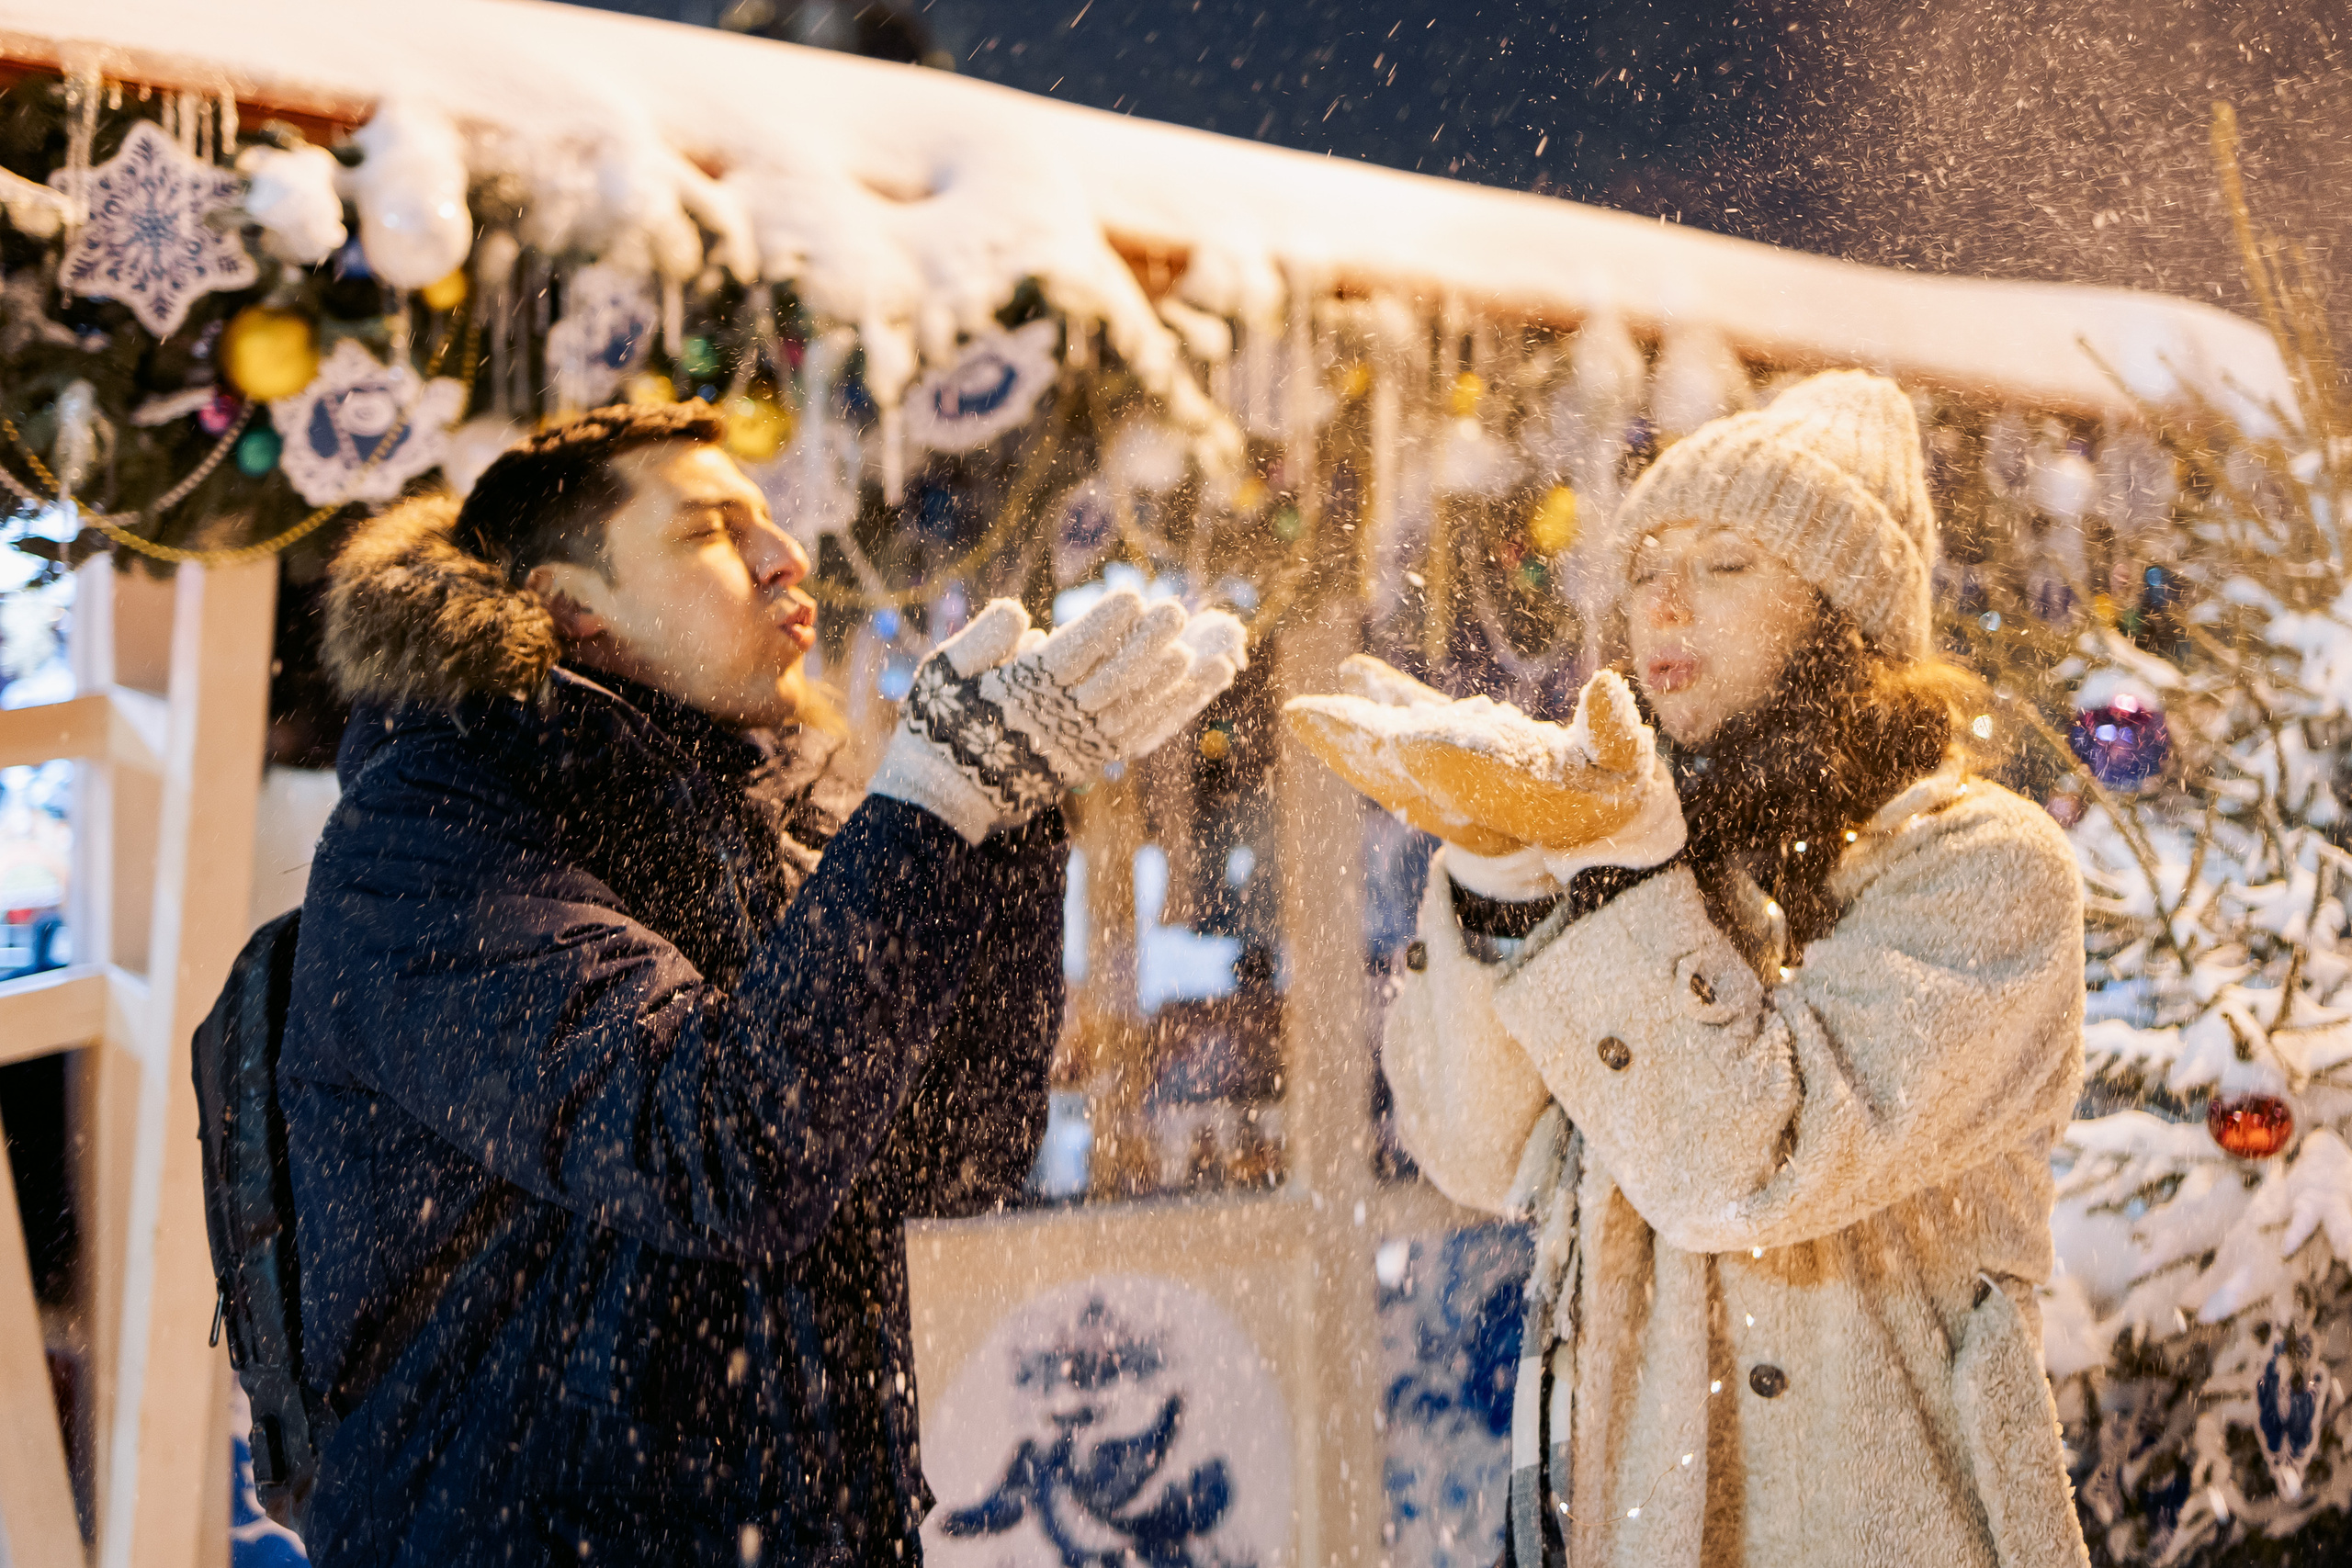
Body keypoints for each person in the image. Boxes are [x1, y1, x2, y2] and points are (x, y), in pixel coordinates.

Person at [284, 402, 1243, 1567]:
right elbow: (727, 1156)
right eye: (706, 531)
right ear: (568, 607)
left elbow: (952, 1152)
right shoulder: (430, 837)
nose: (782, 554)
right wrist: (935, 807)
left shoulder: (777, 816)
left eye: (768, 521)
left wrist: (1003, 825)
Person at [1356, 372, 2092, 1566]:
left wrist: (1612, 873)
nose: (1666, 602)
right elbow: (1478, 1150)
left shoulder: (1984, 872)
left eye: (1729, 563)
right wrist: (1496, 869)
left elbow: (1743, 1167)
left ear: (1841, 610)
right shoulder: (1650, 855)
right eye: (1647, 566)